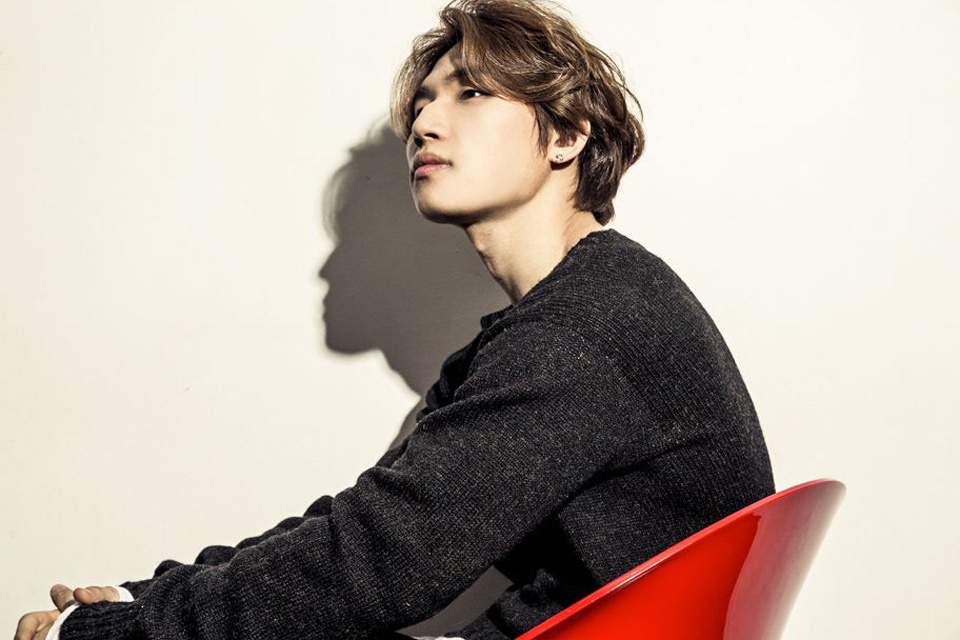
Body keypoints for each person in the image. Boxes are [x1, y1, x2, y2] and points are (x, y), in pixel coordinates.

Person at [15, 1, 774, 639]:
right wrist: (145, 599)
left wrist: (121, 632)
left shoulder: (582, 330)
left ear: (569, 134)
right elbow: (364, 525)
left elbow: (380, 566)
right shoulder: (552, 322)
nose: (425, 123)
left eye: (470, 93)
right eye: (422, 104)